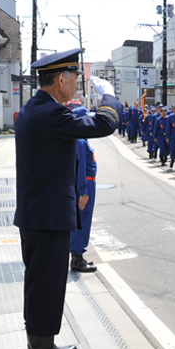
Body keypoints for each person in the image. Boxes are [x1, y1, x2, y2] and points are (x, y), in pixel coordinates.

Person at [14, 48, 122, 349]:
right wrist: (109, 96)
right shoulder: (49, 114)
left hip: (41, 213)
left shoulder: (38, 109)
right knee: (45, 285)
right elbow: (104, 123)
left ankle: (43, 344)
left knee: (44, 283)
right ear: (61, 79)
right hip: (47, 216)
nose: (76, 83)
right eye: (75, 77)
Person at [69, 107, 98, 273]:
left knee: (82, 221)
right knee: (82, 221)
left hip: (87, 183)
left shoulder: (81, 139)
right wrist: (83, 192)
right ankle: (77, 260)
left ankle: (78, 256)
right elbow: (80, 169)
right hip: (85, 184)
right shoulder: (80, 141)